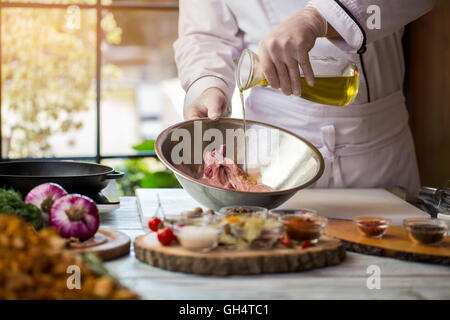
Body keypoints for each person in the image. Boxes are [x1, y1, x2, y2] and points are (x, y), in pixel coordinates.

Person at [173, 0, 435, 194]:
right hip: (271, 152)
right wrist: (208, 83)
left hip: (374, 150)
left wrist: (320, 17)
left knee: (388, 257)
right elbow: (205, 34)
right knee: (278, 252)